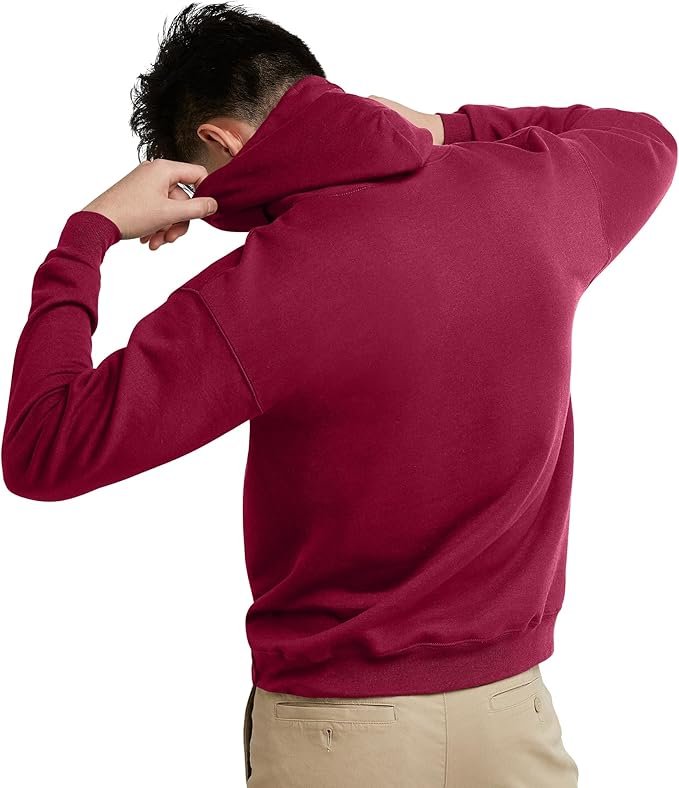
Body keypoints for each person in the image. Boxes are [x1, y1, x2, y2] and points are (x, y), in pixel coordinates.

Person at [2, 3, 676, 786]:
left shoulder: (255, 291)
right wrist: (445, 127)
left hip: (339, 732)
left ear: (223, 142)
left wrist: (88, 234)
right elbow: (644, 139)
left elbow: (43, 450)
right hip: (512, 715)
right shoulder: (531, 192)